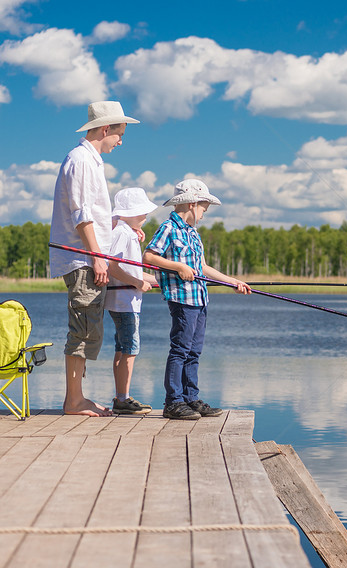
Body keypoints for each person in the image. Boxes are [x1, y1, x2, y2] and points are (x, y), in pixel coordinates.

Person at [49, 101, 140, 417]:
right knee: (84, 327)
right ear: (105, 129)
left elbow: (97, 216)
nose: (121, 141)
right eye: (120, 133)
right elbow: (82, 215)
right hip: (83, 260)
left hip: (88, 257)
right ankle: (74, 401)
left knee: (89, 327)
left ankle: (77, 397)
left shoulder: (89, 161)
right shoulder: (82, 161)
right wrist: (98, 257)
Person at [143, 179, 251, 420]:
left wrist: (232, 281)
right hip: (182, 299)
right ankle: (173, 402)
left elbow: (202, 267)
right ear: (192, 204)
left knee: (194, 352)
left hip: (200, 298)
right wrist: (178, 266)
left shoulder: (193, 234)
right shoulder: (169, 228)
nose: (204, 214)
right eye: (204, 208)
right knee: (180, 350)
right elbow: (148, 257)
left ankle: (191, 398)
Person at [105, 187, 159, 415]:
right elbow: (111, 266)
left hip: (126, 301)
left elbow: (131, 269)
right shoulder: (123, 233)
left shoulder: (127, 232)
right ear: (129, 213)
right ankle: (123, 398)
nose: (145, 217)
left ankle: (121, 396)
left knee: (123, 348)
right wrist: (138, 283)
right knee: (130, 349)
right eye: (141, 213)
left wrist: (157, 280)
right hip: (124, 302)